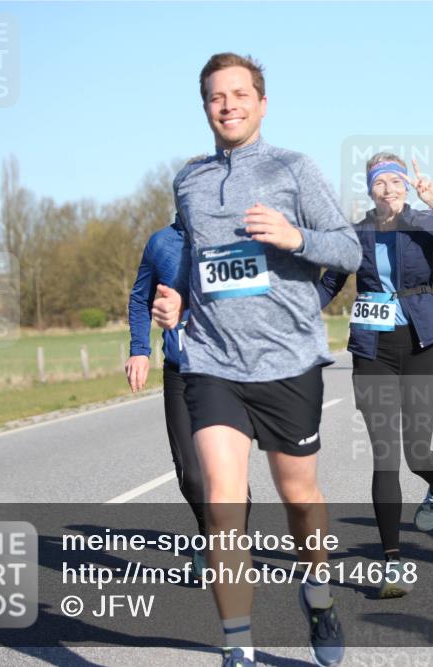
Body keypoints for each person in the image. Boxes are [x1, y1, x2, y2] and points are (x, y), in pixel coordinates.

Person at [151, 52, 362, 667]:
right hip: (213, 362)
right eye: (217, 97)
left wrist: (295, 238)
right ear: (205, 107)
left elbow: (347, 249)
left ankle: (318, 597)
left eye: (240, 94)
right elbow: (193, 261)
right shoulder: (188, 180)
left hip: (288, 361)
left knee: (300, 498)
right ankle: (237, 647)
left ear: (262, 103)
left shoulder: (294, 170)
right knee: (223, 498)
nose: (229, 105)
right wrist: (177, 301)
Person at [320, 154, 433, 598]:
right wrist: (289, 311)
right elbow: (330, 283)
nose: (387, 189)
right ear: (369, 190)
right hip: (373, 348)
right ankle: (392, 563)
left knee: (415, 451)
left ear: (405, 187)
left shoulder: (424, 222)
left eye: (395, 181)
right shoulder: (354, 233)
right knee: (385, 453)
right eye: (379, 182)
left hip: (422, 342)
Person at [128, 212, 251, 577]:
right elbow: (140, 298)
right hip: (180, 372)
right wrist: (139, 349)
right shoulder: (160, 243)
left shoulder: (232, 235)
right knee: (192, 476)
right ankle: (208, 533)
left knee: (227, 472)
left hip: (227, 373)